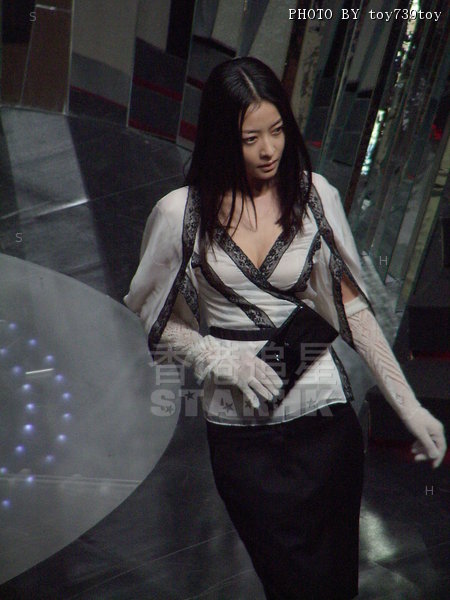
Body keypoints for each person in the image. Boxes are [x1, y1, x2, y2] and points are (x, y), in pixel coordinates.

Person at [123, 57, 447, 599]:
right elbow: (155, 316)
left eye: (277, 130)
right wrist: (214, 356)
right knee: (290, 584)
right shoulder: (180, 214)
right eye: (251, 138)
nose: (269, 149)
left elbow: (352, 311)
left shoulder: (315, 195)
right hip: (241, 440)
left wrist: (408, 407)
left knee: (335, 587)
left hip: (326, 427)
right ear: (222, 138)